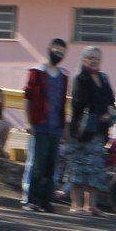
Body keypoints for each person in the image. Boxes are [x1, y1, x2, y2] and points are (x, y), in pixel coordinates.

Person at [67, 45, 116, 216]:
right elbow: (80, 102)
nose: (94, 60)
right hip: (82, 129)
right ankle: (76, 204)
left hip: (99, 130)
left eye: (97, 57)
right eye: (90, 57)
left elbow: (111, 99)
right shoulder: (79, 78)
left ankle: (91, 205)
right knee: (78, 166)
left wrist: (110, 112)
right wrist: (100, 112)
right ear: (84, 59)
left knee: (96, 166)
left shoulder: (103, 78)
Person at [23, 38, 71, 213]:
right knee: (38, 164)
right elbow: (27, 98)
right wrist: (28, 121)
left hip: (56, 126)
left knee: (52, 165)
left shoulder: (64, 76)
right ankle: (32, 199)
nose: (58, 54)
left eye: (62, 52)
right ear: (49, 49)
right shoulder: (37, 72)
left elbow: (63, 103)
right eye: (56, 50)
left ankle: (46, 200)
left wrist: (64, 127)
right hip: (40, 123)